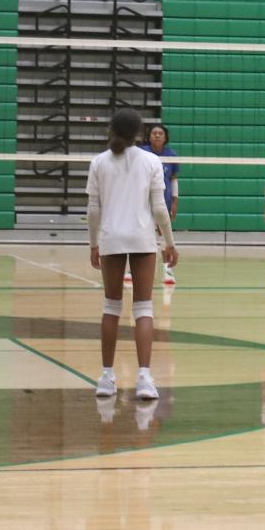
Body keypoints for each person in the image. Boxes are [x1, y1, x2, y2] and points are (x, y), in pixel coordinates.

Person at [86, 107, 177, 401]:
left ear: (111, 130)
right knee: (144, 308)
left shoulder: (99, 162)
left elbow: (93, 210)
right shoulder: (152, 160)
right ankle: (145, 379)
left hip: (111, 238)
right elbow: (160, 208)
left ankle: (107, 377)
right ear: (139, 133)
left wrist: (93, 244)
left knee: (111, 307)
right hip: (142, 239)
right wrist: (170, 243)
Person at [142, 123, 180, 285]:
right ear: (149, 136)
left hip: (163, 200)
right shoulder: (142, 153)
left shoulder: (171, 155)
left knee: (165, 236)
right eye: (154, 133)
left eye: (160, 133)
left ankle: (167, 270)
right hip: (142, 201)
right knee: (142, 235)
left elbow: (173, 179)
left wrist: (175, 201)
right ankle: (132, 269)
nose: (157, 135)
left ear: (165, 137)